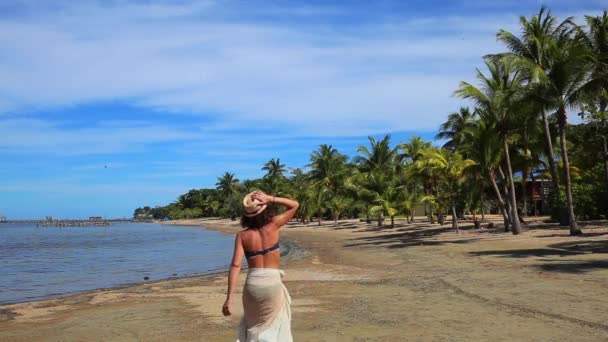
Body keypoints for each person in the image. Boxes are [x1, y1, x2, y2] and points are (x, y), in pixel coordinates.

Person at [222, 190, 299, 342]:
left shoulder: (242, 236)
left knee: (253, 327)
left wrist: (229, 298)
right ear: (265, 209)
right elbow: (294, 205)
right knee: (274, 325)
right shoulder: (274, 225)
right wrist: (270, 198)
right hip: (272, 283)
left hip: (253, 284)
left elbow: (236, 265)